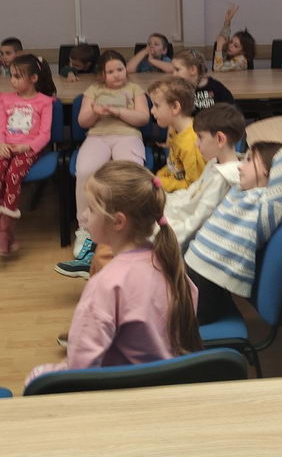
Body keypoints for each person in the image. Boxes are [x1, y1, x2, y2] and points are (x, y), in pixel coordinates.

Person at [25, 161, 201, 386]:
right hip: (167, 385)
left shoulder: (106, 284)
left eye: (91, 209)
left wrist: (40, 376)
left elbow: (79, 371)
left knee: (36, 378)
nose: (85, 216)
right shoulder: (171, 265)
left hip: (124, 391)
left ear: (118, 221)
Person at [59, 102, 247, 291]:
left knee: (123, 229)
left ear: (220, 139)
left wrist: (164, 232)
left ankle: (98, 263)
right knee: (129, 207)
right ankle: (96, 257)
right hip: (174, 217)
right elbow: (190, 196)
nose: (196, 143)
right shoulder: (215, 164)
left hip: (178, 232)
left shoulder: (225, 177)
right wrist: (161, 199)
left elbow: (197, 221)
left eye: (200, 138)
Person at [184, 138, 282, 323]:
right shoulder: (241, 190)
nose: (241, 166)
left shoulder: (269, 205)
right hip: (193, 267)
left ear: (269, 171)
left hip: (206, 285)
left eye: (249, 160)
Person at [63, 50, 149, 272]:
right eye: (110, 72)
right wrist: (95, 112)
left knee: (129, 174)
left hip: (128, 136)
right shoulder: (94, 90)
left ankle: (130, 226)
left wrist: (118, 111)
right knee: (86, 171)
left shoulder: (135, 89)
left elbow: (143, 118)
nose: (117, 74)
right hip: (97, 137)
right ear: (102, 74)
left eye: (120, 69)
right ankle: (85, 230)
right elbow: (83, 121)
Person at [0, 54, 55, 255]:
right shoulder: (5, 99)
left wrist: (28, 147)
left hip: (29, 149)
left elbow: (45, 134)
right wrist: (1, 144)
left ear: (33, 78)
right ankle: (6, 230)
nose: (12, 81)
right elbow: (1, 126)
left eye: (17, 76)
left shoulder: (45, 102)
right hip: (6, 147)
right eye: (11, 76)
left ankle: (5, 229)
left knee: (13, 174)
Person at [149, 76, 205, 192]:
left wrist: (161, 182)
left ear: (175, 107)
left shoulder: (191, 143)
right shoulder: (175, 130)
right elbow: (174, 166)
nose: (152, 110)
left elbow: (194, 185)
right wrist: (159, 176)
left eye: (156, 105)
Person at [213, 4, 255, 72]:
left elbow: (217, 69)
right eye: (231, 42)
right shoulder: (232, 55)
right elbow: (224, 38)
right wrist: (227, 22)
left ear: (243, 51)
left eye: (236, 46)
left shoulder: (241, 60)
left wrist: (219, 47)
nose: (230, 45)